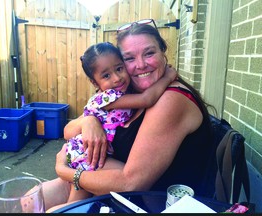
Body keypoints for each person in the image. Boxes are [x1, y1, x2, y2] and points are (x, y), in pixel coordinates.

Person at [42, 19, 215, 212]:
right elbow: (68, 130)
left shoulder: (171, 100)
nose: (140, 65)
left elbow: (130, 184)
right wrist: (90, 121)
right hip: (101, 180)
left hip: (147, 203)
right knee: (29, 200)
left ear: (163, 51)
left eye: (149, 53)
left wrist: (66, 172)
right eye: (130, 58)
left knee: (54, 210)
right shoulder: (126, 92)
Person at [65, 42, 177, 203]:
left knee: (81, 202)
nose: (117, 78)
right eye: (106, 76)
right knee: (124, 180)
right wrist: (168, 77)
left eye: (119, 69)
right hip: (87, 155)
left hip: (90, 153)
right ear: (95, 83)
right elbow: (147, 99)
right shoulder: (107, 97)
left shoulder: (122, 93)